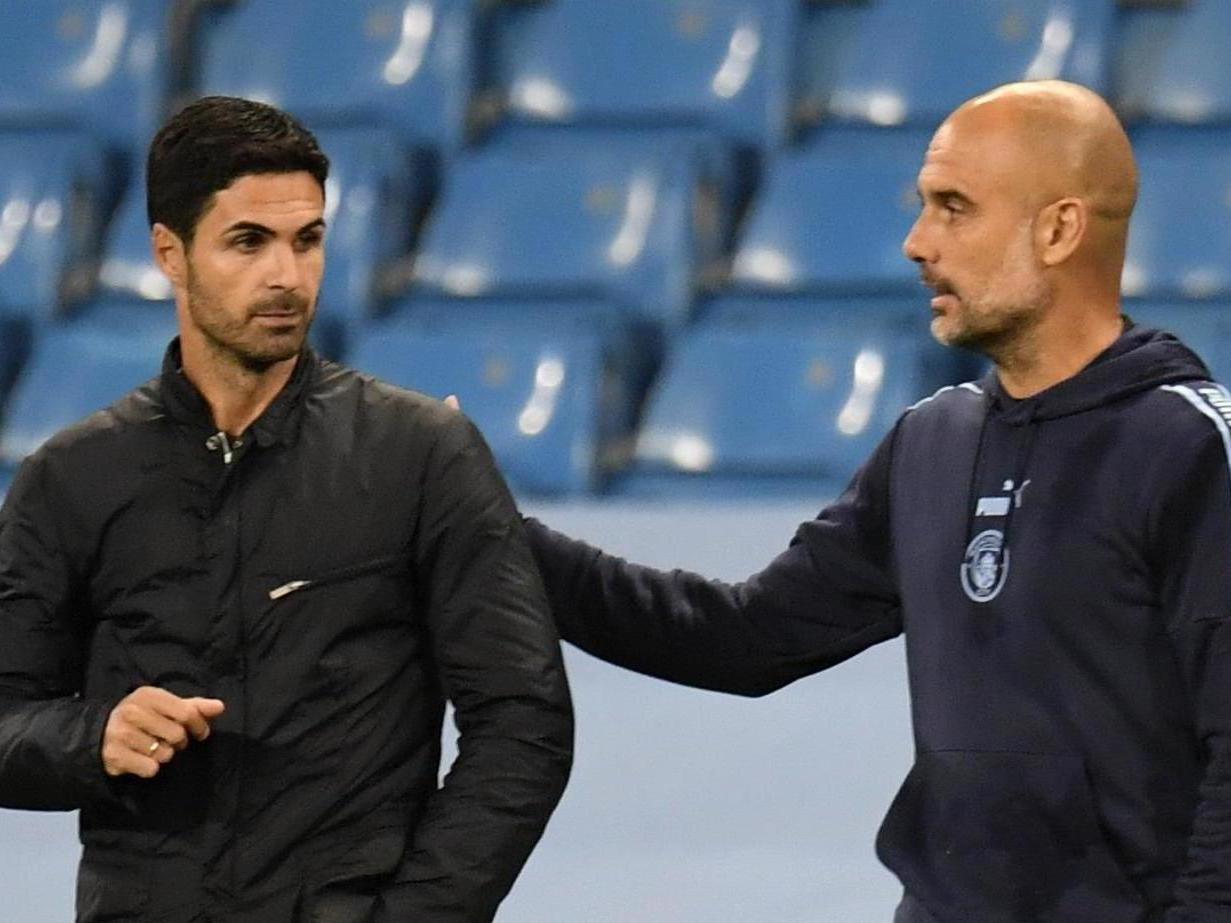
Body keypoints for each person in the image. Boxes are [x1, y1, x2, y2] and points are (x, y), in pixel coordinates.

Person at [523, 81, 1231, 922]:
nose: (915, 242)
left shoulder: (1189, 448)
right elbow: (742, 638)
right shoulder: (930, 442)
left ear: (1059, 229)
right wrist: (498, 535)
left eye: (953, 208)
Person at [0, 96, 573, 923]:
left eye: (307, 240)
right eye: (248, 242)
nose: (286, 276)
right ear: (170, 252)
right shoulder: (71, 477)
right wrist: (92, 739)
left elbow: (523, 720)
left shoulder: (422, 453)